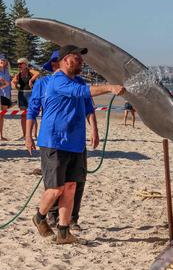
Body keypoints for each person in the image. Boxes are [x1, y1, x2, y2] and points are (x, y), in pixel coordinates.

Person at [28, 45, 124, 244]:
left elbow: (87, 105)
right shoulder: (57, 81)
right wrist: (109, 87)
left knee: (71, 187)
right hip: (55, 141)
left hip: (75, 143)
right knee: (55, 189)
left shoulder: (76, 81)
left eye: (81, 58)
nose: (81, 60)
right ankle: (39, 216)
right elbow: (81, 92)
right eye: (76, 57)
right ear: (64, 60)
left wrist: (93, 130)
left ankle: (63, 231)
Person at [12, 57, 40, 139]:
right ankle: (25, 135)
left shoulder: (30, 71)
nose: (19, 65)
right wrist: (15, 84)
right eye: (18, 64)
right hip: (21, 94)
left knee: (32, 115)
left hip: (31, 94)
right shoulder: (18, 74)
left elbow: (37, 73)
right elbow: (13, 82)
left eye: (21, 63)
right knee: (23, 115)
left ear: (25, 64)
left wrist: (31, 80)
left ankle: (35, 135)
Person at [0, 54, 12, 141]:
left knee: (2, 116)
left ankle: (1, 136)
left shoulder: (7, 71)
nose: (2, 62)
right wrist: (3, 85)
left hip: (6, 95)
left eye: (4, 60)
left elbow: (8, 84)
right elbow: (5, 84)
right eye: (1, 60)